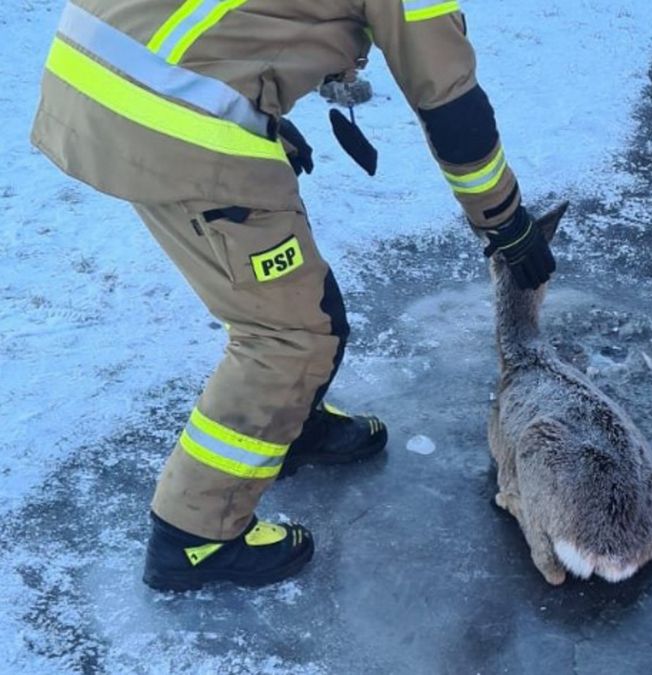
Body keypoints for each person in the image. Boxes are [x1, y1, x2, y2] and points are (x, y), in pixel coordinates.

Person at [31, 0, 555, 591]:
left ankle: (289, 427)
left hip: (104, 72)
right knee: (290, 337)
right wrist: (505, 220)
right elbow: (453, 106)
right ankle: (195, 535)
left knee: (306, 307)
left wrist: (253, 102)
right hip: (166, 117)